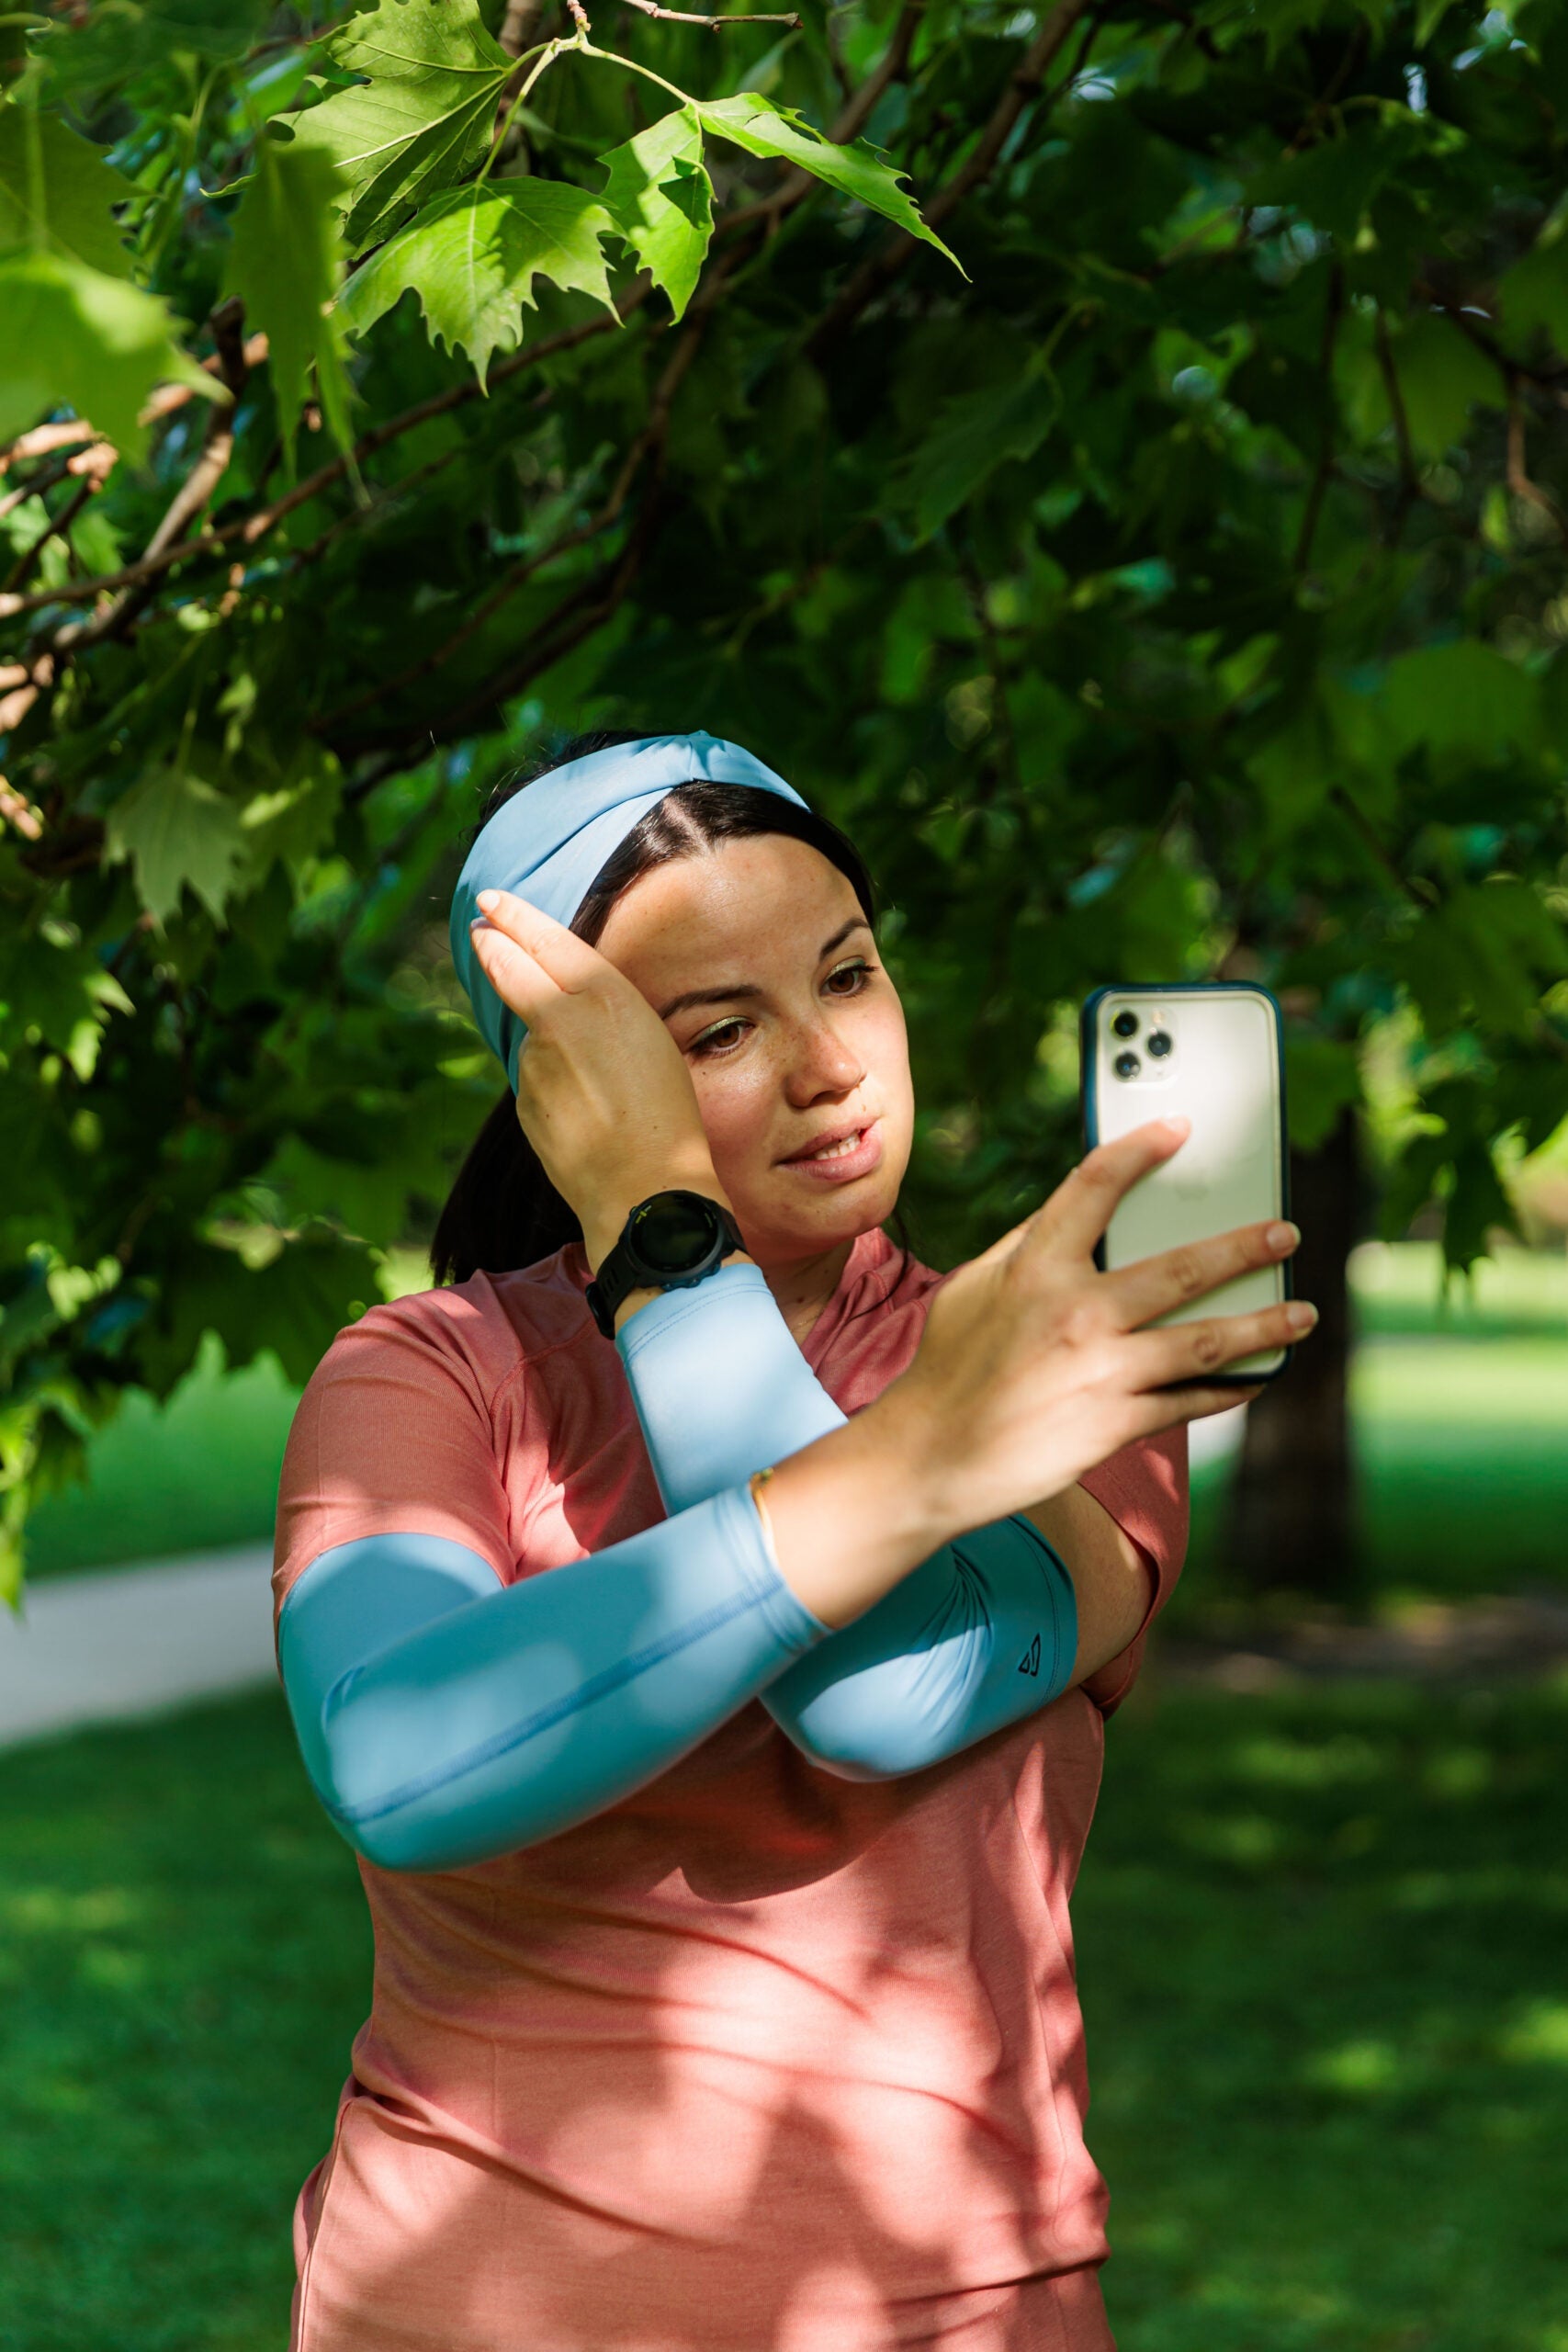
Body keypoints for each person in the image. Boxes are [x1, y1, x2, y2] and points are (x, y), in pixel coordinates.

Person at [272, 730, 1313, 2352]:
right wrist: (668, 1241)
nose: (831, 1065)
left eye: (849, 975)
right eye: (719, 1030)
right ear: (569, 1081)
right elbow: (405, 1764)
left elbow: (882, 1695)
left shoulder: (1064, 1365)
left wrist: (679, 1277)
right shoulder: (430, 1374)